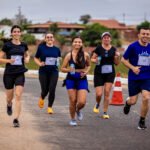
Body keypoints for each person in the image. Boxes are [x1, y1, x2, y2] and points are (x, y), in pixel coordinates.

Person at [0, 25, 30, 127]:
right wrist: (8, 60)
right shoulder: (7, 45)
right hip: (9, 73)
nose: (17, 33)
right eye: (15, 31)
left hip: (20, 73)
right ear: (12, 33)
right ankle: (9, 104)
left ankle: (16, 119)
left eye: (18, 31)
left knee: (18, 95)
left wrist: (27, 59)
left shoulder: (24, 45)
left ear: (20, 33)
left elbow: (27, 54)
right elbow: (0, 59)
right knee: (10, 97)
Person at [121, 27, 150, 130]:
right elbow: (123, 60)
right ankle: (127, 104)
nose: (145, 36)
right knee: (133, 101)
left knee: (146, 97)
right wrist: (133, 68)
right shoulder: (133, 46)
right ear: (139, 35)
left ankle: (142, 120)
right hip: (134, 77)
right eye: (143, 34)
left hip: (147, 77)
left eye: (147, 34)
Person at [61, 36, 90, 126]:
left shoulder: (86, 55)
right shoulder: (68, 55)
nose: (77, 43)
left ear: (82, 44)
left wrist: (86, 72)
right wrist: (70, 70)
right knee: (73, 100)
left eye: (79, 42)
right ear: (72, 43)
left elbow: (88, 66)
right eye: (75, 42)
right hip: (71, 79)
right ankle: (73, 119)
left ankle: (78, 110)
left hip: (82, 79)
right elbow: (62, 68)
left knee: (82, 101)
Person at [91, 32, 120, 119]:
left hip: (110, 73)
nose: (106, 39)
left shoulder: (114, 49)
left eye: (108, 37)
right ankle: (97, 103)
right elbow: (92, 58)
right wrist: (95, 61)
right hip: (99, 73)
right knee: (99, 94)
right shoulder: (99, 48)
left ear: (110, 39)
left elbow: (117, 63)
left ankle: (105, 112)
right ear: (102, 39)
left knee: (107, 92)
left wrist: (117, 56)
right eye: (104, 37)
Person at [34, 32, 61, 114]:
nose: (49, 38)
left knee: (52, 89)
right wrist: (39, 63)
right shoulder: (41, 48)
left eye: (51, 37)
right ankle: (42, 97)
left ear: (53, 39)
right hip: (43, 71)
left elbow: (58, 60)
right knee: (45, 90)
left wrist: (58, 62)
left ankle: (50, 107)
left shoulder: (57, 49)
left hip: (54, 71)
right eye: (48, 37)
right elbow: (35, 58)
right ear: (45, 39)